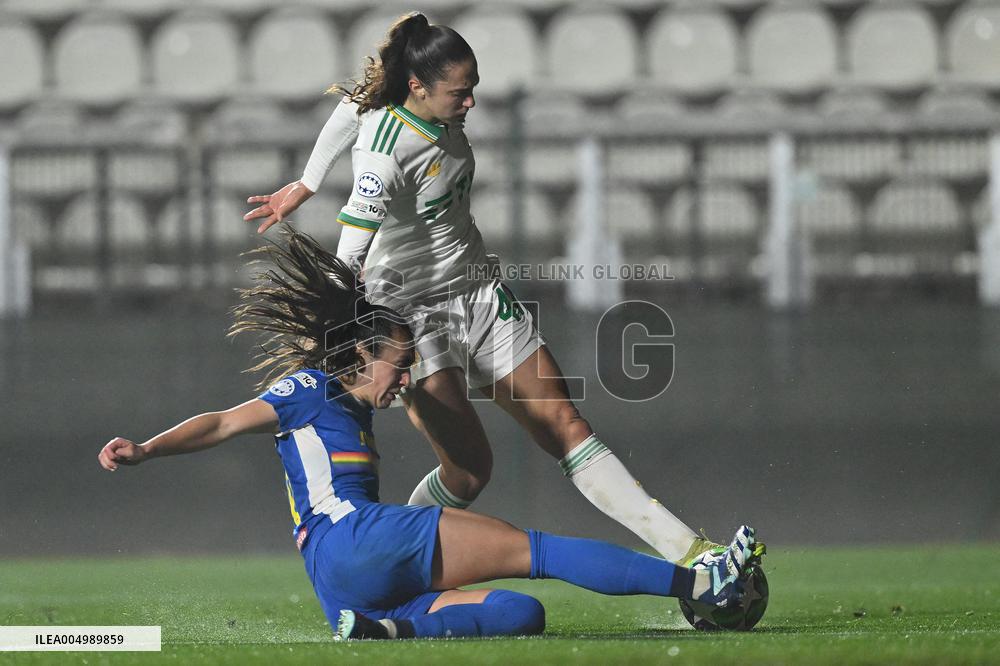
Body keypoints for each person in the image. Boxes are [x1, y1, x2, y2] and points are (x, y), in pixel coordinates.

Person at [243, 13, 765, 568]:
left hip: (478, 294)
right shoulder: (384, 154)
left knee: (565, 425)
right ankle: (387, 562)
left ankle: (691, 554)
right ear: (418, 87)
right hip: (414, 317)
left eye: (473, 90)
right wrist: (335, 331)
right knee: (468, 472)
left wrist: (307, 181)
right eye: (459, 93)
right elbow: (349, 257)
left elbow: (351, 108)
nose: (470, 104)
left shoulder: (407, 105)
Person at [97, 229, 759, 640]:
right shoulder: (307, 391)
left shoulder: (353, 409)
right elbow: (218, 423)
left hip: (347, 590)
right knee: (541, 552)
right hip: (352, 539)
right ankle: (701, 586)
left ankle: (385, 631)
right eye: (400, 360)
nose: (408, 372)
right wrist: (148, 449)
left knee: (522, 616)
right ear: (359, 356)